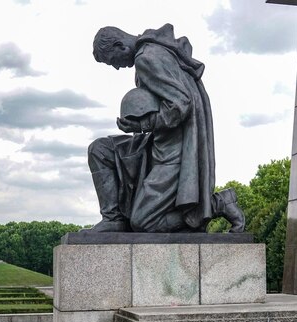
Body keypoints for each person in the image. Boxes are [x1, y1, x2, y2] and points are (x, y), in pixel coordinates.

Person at [87, 24, 244, 233]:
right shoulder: (154, 50)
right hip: (159, 141)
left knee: (143, 222)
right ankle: (113, 218)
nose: (116, 67)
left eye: (113, 61)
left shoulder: (147, 58)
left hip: (175, 153)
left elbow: (181, 104)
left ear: (119, 46)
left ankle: (216, 204)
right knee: (101, 149)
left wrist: (141, 124)